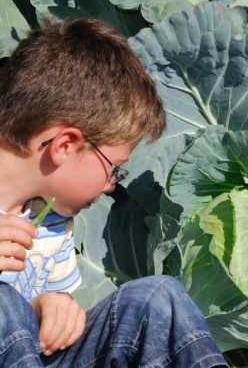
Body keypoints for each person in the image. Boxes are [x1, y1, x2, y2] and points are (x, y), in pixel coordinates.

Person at [0, 18, 228, 367]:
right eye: (113, 167)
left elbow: (35, 326)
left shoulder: (53, 217)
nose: (112, 184)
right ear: (65, 145)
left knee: (157, 299)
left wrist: (51, 306)